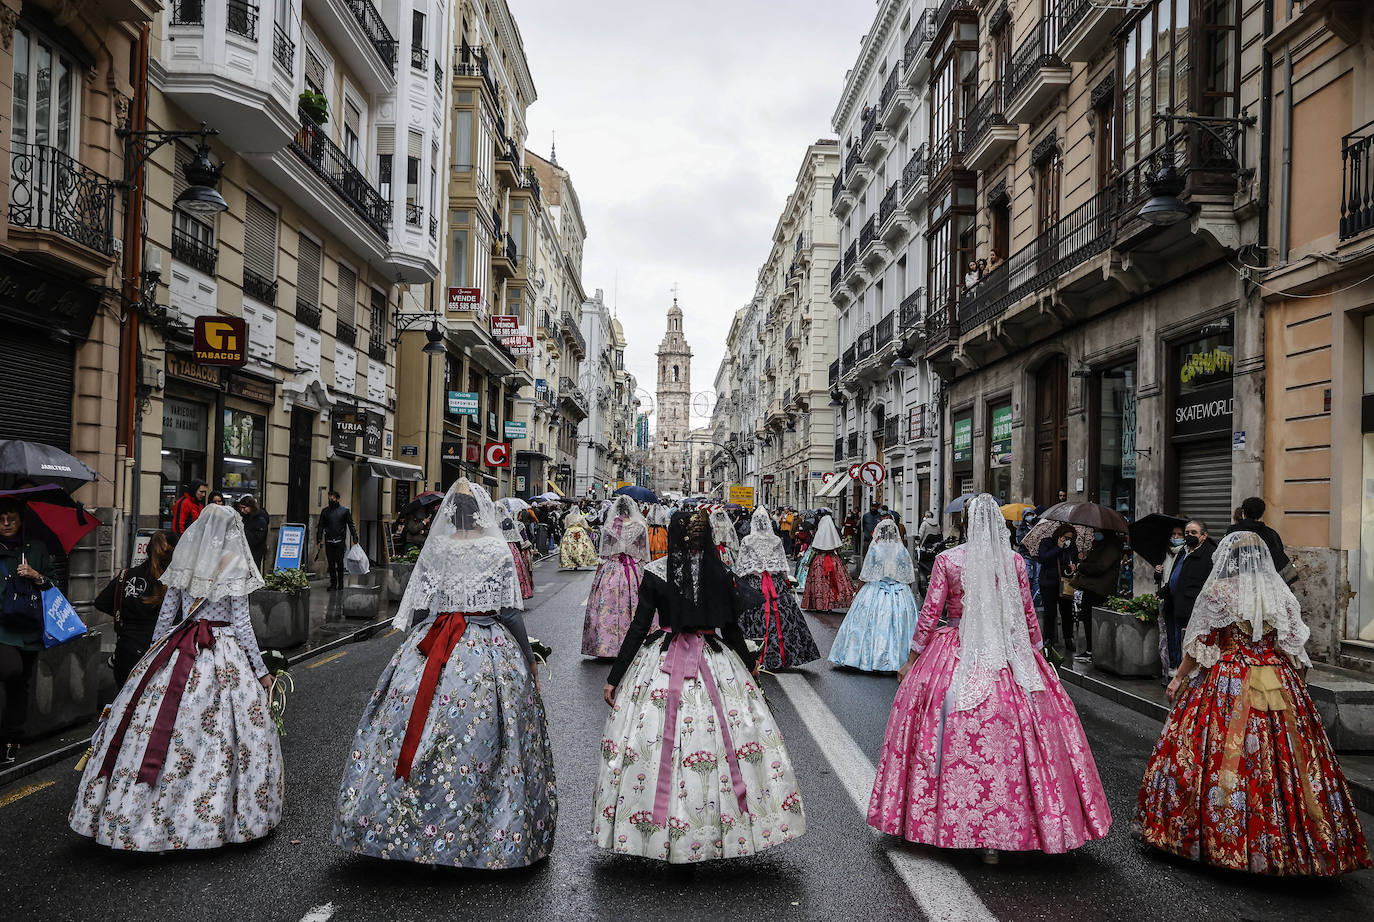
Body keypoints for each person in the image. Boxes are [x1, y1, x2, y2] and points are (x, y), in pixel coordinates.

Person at [869, 494, 1112, 864]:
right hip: (1006, 651)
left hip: (954, 649)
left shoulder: (947, 560)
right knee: (1024, 732)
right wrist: (1037, 654)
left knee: (938, 729)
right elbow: (1028, 614)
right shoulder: (1013, 561)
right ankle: (1014, 829)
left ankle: (948, 823)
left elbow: (930, 614)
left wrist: (912, 659)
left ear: (965, 522)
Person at [333, 480, 556, 868]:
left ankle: (404, 825)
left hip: (436, 642)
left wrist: (413, 648)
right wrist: (528, 659)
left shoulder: (437, 547)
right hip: (487, 648)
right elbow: (510, 614)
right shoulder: (496, 549)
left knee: (418, 732)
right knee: (486, 742)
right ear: (483, 512)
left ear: (449, 515)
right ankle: (488, 832)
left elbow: (422, 607)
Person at [1135, 532, 1371, 876]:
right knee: (1282, 758)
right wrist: (1298, 692)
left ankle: (1218, 835)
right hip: (1276, 679)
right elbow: (1293, 650)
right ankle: (1291, 842)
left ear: (1230, 559)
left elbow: (1203, 642)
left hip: (1229, 679)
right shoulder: (1280, 594)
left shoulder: (1220, 592)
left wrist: (1178, 677)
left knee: (1220, 752)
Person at [594, 508, 806, 862]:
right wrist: (751, 665)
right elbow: (732, 628)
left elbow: (638, 628)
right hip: (716, 663)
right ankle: (722, 828)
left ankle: (653, 827)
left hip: (660, 663)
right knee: (723, 743)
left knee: (653, 743)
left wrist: (615, 677)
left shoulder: (656, 573)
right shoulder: (720, 573)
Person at [70, 504, 283, 850]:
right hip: (222, 650)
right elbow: (242, 625)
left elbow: (166, 618)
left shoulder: (184, 563)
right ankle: (214, 819)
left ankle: (139, 818)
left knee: (165, 732)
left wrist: (151, 664)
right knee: (224, 738)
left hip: (180, 648)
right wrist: (261, 672)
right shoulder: (234, 567)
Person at [0, 497, 56, 763]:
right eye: (0, 519)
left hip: (30, 628)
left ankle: (13, 739)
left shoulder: (36, 549)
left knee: (21, 684)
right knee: (9, 670)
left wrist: (36, 575)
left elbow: (54, 586)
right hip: (2, 628)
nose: (6, 523)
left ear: (21, 519)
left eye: (11, 517)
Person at [735, 506, 820, 671]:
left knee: (753, 619)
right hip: (775, 585)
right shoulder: (776, 540)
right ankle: (781, 656)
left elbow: (741, 566)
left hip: (753, 585)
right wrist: (785, 581)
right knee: (782, 620)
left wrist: (739, 586)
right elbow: (782, 566)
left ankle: (753, 656)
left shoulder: (747, 540)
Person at [828, 520, 919, 672]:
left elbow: (866, 575)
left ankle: (865, 658)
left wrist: (857, 592)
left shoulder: (875, 549)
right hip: (899, 592)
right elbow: (907, 576)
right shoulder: (901, 550)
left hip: (876, 590)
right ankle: (899, 660)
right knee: (900, 627)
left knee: (867, 626)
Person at [93, 530, 175, 689]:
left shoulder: (126, 576)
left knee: (124, 707)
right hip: (160, 653)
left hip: (126, 651)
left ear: (147, 549)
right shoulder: (175, 583)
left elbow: (101, 602)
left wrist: (125, 613)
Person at [582, 496, 649, 657]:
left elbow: (604, 553)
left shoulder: (610, 526)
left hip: (611, 570)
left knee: (607, 606)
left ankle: (606, 646)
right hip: (633, 570)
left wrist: (597, 576)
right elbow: (644, 553)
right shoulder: (640, 526)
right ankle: (634, 644)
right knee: (633, 605)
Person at [1161, 519, 1216, 669]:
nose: (1189, 535)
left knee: (1188, 644)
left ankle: (1184, 674)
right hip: (1173, 603)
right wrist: (1164, 591)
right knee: (1174, 639)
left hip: (1190, 607)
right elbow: (1175, 574)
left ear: (1204, 536)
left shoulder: (1210, 554)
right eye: (1187, 533)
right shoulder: (1184, 551)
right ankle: (1174, 668)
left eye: (1193, 532)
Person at [1071, 530, 1125, 662]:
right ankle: (1091, 650)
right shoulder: (1100, 545)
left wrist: (1082, 566)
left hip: (1099, 590)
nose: (1094, 532)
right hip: (1093, 588)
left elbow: (1100, 567)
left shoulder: (1111, 546)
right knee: (1088, 619)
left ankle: (1092, 651)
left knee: (1093, 621)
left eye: (1098, 530)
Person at [1037, 524, 1078, 656]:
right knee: (1050, 612)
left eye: (1070, 538)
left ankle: (1068, 638)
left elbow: (1074, 559)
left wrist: (1074, 566)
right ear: (1060, 535)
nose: (1068, 540)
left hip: (1065, 583)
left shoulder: (1072, 546)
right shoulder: (1047, 542)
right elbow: (1043, 558)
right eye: (1066, 537)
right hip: (1049, 583)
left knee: (1067, 612)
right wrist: (1058, 548)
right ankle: (1049, 639)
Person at [801, 513, 856, 612]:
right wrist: (843, 562)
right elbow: (839, 551)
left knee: (819, 584)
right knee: (832, 583)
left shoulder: (819, 534)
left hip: (819, 562)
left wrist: (808, 564)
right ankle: (831, 604)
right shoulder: (834, 533)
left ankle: (819, 604)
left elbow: (814, 551)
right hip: (833, 560)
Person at [1226, 496, 1291, 577]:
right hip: (1264, 582)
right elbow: (1278, 558)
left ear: (1243, 512)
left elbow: (1225, 555)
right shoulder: (1271, 534)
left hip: (1237, 580)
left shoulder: (1233, 531)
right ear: (1262, 513)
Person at [1153, 525, 1187, 671]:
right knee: (1169, 634)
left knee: (1179, 634)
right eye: (1173, 534)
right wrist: (1157, 572)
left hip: (1179, 599)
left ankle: (1180, 666)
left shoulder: (1186, 553)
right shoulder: (1165, 553)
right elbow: (1160, 578)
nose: (1176, 537)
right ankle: (1171, 665)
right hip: (1166, 598)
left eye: (1180, 534)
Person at [316, 490, 359, 591]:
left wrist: (354, 536)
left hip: (340, 540)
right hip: (329, 540)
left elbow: (350, 524)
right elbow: (321, 526)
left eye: (333, 499)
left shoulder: (344, 511)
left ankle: (340, 583)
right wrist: (319, 539)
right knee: (331, 563)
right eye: (329, 499)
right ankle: (333, 583)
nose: (331, 500)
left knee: (339, 562)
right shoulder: (325, 511)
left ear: (337, 499)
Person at [500, 513, 535, 601]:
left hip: (501, 548)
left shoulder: (498, 523)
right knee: (519, 572)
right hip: (513, 549)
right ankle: (520, 592)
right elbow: (521, 538)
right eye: (520, 515)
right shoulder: (517, 524)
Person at [236, 494, 269, 569]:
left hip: (255, 552)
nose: (242, 510)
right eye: (241, 508)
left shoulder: (260, 520)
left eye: (244, 508)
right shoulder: (246, 517)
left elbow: (255, 539)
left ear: (251, 507)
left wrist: (243, 529)